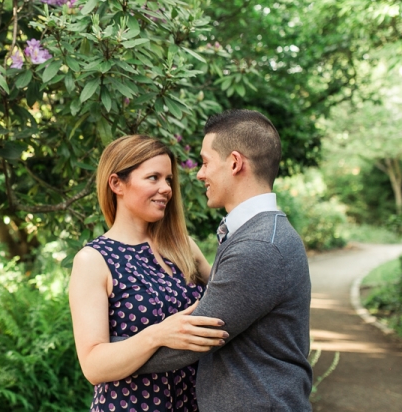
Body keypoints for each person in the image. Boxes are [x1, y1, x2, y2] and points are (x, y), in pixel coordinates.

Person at [124, 110, 313, 411]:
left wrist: (111, 356)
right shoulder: (259, 233)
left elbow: (195, 338)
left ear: (235, 163)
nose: (199, 173)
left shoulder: (258, 245)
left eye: (205, 162)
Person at [69, 135, 229, 412]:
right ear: (116, 183)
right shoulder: (93, 260)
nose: (166, 188)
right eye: (153, 177)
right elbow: (93, 365)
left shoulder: (182, 246)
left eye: (168, 179)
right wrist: (157, 335)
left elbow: (228, 297)